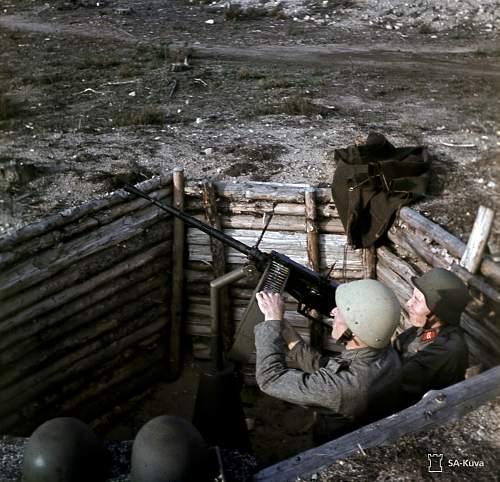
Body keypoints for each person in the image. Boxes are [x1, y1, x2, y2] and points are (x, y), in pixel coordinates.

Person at [254, 279, 402, 445]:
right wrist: (286, 331)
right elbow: (327, 371)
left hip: (334, 450)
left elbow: (269, 378)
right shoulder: (383, 352)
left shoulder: (344, 387)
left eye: (340, 311)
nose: (332, 312)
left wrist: (271, 322)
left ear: (354, 329)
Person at [394, 268, 469, 407]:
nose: (408, 303)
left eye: (417, 300)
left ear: (438, 310)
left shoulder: (445, 350)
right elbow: (398, 346)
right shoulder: (428, 329)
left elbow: (395, 387)